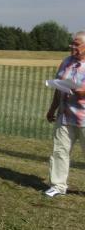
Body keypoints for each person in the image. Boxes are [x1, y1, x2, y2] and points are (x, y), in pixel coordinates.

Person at [44, 30, 85, 197]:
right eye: (72, 43)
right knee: (60, 151)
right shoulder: (66, 61)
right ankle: (58, 186)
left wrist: (80, 91)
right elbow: (58, 86)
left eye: (76, 44)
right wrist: (52, 109)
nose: (72, 46)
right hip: (65, 115)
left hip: (83, 117)